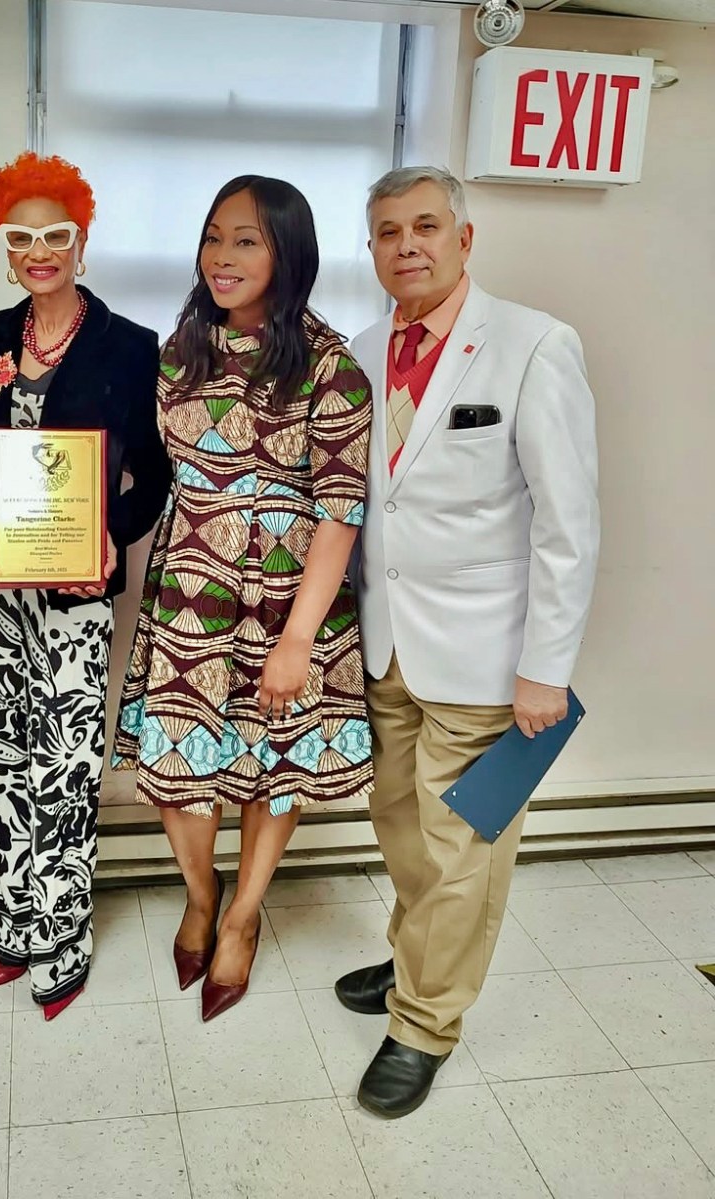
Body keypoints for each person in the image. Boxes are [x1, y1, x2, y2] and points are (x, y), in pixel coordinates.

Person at [336, 166, 600, 1118]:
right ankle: (418, 953)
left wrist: (547, 669)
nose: (407, 245)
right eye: (387, 232)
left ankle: (424, 1022)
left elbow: (568, 524)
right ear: (371, 250)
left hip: (492, 661)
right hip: (389, 647)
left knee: (464, 849)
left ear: (464, 237)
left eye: (426, 227)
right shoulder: (364, 350)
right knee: (402, 828)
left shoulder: (533, 344)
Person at [113, 176, 374, 1022]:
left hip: (290, 602)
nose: (222, 258)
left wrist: (298, 640)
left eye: (247, 242)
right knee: (177, 774)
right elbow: (151, 472)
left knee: (272, 774)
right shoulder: (180, 348)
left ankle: (244, 916)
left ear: (288, 253)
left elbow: (341, 513)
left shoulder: (331, 364)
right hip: (190, 594)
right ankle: (201, 890)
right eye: (213, 237)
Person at [0, 152, 170, 1020]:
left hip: (79, 593)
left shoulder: (131, 347)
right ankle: (10, 930)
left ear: (82, 242)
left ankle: (64, 942)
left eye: (57, 235)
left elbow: (154, 476)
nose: (40, 250)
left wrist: (111, 543)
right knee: (5, 755)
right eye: (23, 237)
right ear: (6, 248)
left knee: (66, 766)